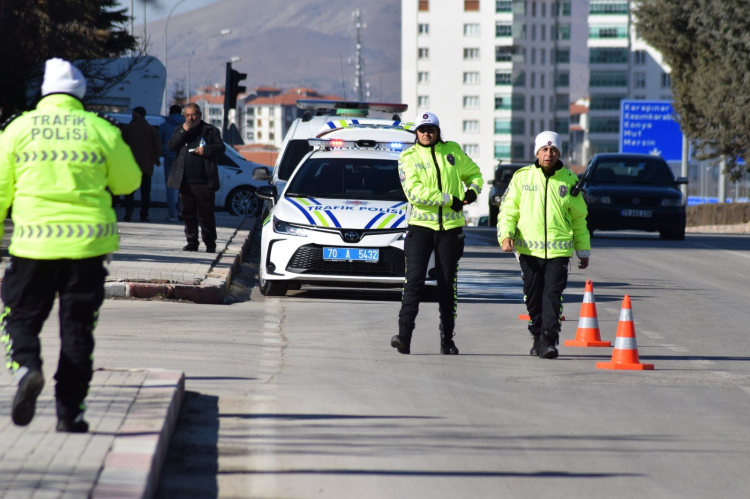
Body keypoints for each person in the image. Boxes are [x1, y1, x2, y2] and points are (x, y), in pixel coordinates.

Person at [0, 58, 141, 432]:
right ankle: (70, 415)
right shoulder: (99, 129)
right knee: (77, 330)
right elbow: (128, 181)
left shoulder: (18, 129)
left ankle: (27, 368)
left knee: (19, 318)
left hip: (33, 247)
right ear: (80, 93)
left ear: (44, 92)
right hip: (87, 249)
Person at [391, 112, 484, 355]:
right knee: (414, 282)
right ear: (416, 133)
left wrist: (472, 192)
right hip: (420, 228)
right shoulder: (408, 157)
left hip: (450, 231)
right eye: (422, 130)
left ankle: (447, 340)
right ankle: (404, 336)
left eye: (430, 129)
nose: (426, 134)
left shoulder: (452, 151)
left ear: (437, 131)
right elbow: (415, 193)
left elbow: (476, 175)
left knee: (447, 285)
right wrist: (450, 199)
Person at [497, 131, 590, 359]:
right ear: (537, 152)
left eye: (554, 150)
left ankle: (549, 339)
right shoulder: (522, 177)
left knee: (552, 295)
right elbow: (508, 210)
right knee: (533, 296)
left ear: (559, 153)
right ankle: (537, 335)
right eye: (545, 149)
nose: (549, 154)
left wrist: (583, 250)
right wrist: (506, 235)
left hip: (558, 252)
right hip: (529, 251)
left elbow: (579, 218)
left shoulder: (569, 180)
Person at [167, 103, 224, 253]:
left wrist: (206, 150)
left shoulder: (211, 130)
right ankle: (192, 242)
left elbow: (221, 148)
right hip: (185, 180)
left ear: (199, 115)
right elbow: (171, 146)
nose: (191, 118)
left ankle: (210, 243)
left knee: (206, 214)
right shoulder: (180, 130)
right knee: (187, 213)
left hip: (204, 181)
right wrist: (184, 130)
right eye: (187, 115)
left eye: (193, 115)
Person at [122, 106, 161, 222]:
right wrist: (156, 159)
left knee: (129, 191)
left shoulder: (128, 128)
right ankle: (144, 215)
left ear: (136, 114)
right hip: (146, 166)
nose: (132, 115)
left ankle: (129, 211)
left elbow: (121, 145)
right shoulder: (151, 130)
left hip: (130, 166)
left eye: (133, 113)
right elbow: (157, 147)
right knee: (145, 192)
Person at [159, 104, 184, 221]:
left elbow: (159, 142)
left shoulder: (164, 126)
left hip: (169, 157)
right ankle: (181, 212)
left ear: (170, 113)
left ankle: (172, 214)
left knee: (170, 187)